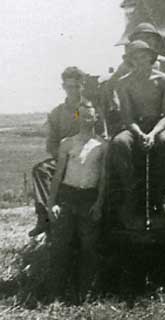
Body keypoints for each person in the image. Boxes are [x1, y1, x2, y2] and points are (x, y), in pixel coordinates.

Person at [110, 40, 165, 228]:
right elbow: (127, 116)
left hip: (160, 123)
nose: (141, 60)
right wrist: (141, 133)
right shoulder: (123, 83)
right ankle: (131, 194)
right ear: (130, 60)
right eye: (136, 57)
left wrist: (153, 133)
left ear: (151, 56)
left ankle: (161, 193)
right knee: (119, 143)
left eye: (144, 56)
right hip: (135, 125)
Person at [29, 66, 104, 237]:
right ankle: (45, 216)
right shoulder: (57, 113)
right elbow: (52, 143)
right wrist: (64, 156)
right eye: (69, 86)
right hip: (65, 157)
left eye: (77, 86)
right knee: (40, 170)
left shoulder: (91, 109)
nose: (73, 90)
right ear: (63, 86)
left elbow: (103, 137)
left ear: (82, 86)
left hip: (90, 156)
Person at [46, 104, 108, 300]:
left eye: (90, 116)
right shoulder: (67, 143)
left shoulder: (102, 145)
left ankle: (84, 293)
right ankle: (55, 293)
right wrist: (51, 203)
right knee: (60, 246)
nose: (86, 120)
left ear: (96, 118)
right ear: (77, 118)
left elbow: (104, 178)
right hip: (67, 197)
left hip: (89, 198)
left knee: (88, 247)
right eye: (83, 116)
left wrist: (99, 203)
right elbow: (58, 175)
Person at [108, 22, 165, 113]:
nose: (145, 40)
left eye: (148, 37)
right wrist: (116, 104)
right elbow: (110, 85)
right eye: (140, 38)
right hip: (136, 116)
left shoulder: (164, 62)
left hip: (161, 114)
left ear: (155, 40)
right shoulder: (127, 64)